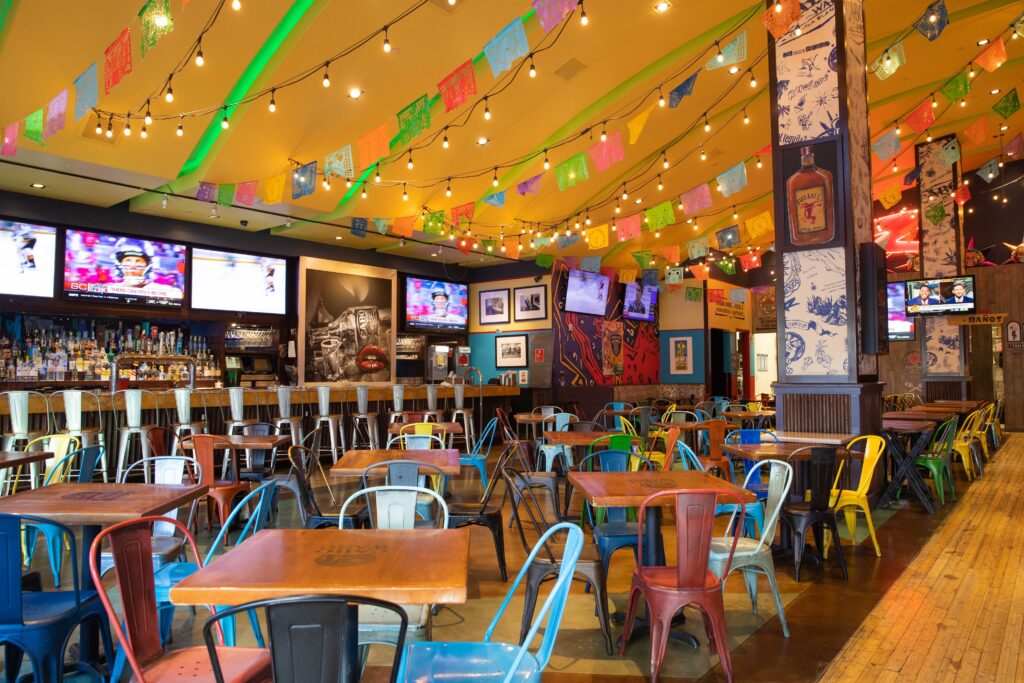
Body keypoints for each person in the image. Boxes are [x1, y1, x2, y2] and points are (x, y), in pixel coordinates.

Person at [113, 238, 182, 299]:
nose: (133, 266)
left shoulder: (168, 291)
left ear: (148, 265)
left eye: (138, 261)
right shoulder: (110, 288)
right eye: (128, 260)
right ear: (119, 264)